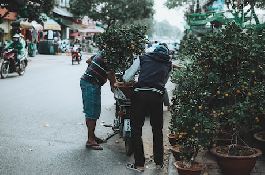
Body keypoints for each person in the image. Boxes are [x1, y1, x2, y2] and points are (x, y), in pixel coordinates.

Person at [124, 44, 172, 172]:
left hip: (140, 95)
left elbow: (127, 77)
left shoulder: (143, 58)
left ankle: (139, 164)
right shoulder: (168, 63)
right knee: (157, 129)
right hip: (157, 97)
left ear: (154, 51)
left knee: (136, 129)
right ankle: (159, 163)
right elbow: (163, 82)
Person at [80, 52, 116, 150]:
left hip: (88, 82)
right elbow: (112, 78)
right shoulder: (110, 58)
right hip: (91, 83)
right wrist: (115, 87)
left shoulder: (102, 53)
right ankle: (90, 140)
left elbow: (88, 61)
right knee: (92, 112)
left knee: (91, 111)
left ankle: (92, 136)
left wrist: (95, 69)